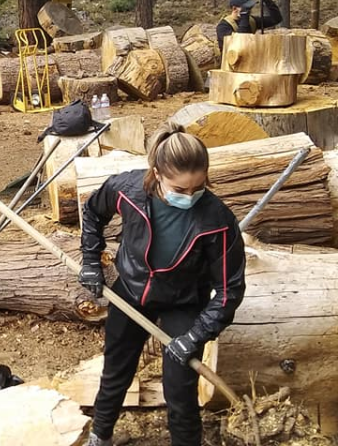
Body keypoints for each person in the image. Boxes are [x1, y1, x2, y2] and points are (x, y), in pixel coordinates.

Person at [78, 124, 246, 446]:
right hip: (131, 290)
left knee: (180, 391)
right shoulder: (128, 189)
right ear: (157, 174)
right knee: (116, 371)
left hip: (182, 302)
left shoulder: (217, 221)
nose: (190, 197)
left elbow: (229, 290)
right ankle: (100, 436)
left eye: (198, 188)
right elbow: (93, 211)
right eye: (180, 190)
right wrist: (89, 261)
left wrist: (196, 335)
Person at [215, 0, 283, 49]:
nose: (249, 11)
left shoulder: (251, 21)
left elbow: (276, 19)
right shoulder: (223, 27)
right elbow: (239, 42)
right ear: (234, 8)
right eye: (246, 8)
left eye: (250, 8)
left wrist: (267, 0)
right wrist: (244, 16)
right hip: (231, 61)